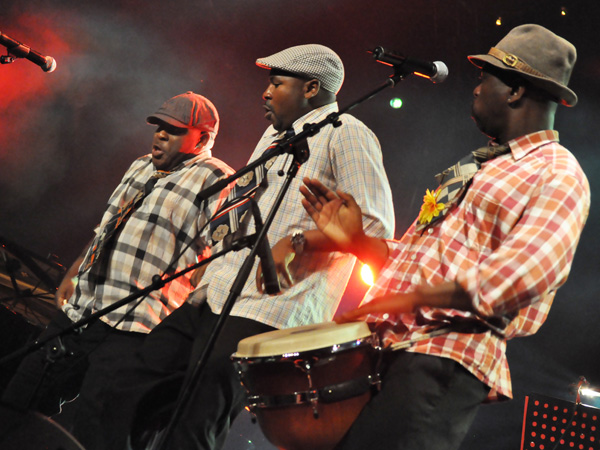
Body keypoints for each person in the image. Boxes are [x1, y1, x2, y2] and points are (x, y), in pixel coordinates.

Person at [300, 24, 590, 450]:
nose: (475, 89)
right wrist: (359, 242)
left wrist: (417, 298)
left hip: (445, 357)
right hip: (388, 353)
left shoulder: (558, 171)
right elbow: (419, 263)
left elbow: (525, 274)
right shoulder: (483, 166)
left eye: (483, 77)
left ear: (514, 90)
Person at [101, 44, 395, 450]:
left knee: (196, 418)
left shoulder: (348, 134)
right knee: (128, 386)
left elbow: (377, 227)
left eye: (277, 82)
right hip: (216, 294)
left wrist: (299, 242)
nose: (266, 92)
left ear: (311, 88)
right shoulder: (277, 135)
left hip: (268, 307)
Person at [1, 92, 234, 449]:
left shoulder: (219, 181)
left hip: (135, 329)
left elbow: (223, 258)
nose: (159, 136)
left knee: (100, 432)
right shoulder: (141, 165)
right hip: (83, 311)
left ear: (202, 138)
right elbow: (107, 226)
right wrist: (77, 269)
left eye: (172, 131)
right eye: (158, 128)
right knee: (16, 402)